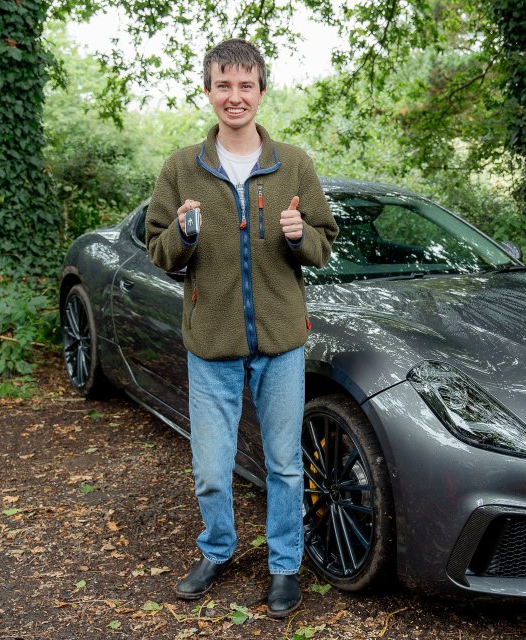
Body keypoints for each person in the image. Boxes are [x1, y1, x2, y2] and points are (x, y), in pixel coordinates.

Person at [145, 38, 338, 618]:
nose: (235, 97)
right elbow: (158, 251)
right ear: (208, 92)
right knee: (210, 466)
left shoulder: (294, 163)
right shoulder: (182, 167)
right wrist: (183, 235)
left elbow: (324, 245)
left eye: (245, 85)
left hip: (279, 344)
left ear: (260, 91)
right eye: (223, 85)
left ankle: (284, 565)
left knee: (283, 463)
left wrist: (302, 235)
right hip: (211, 346)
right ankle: (218, 549)